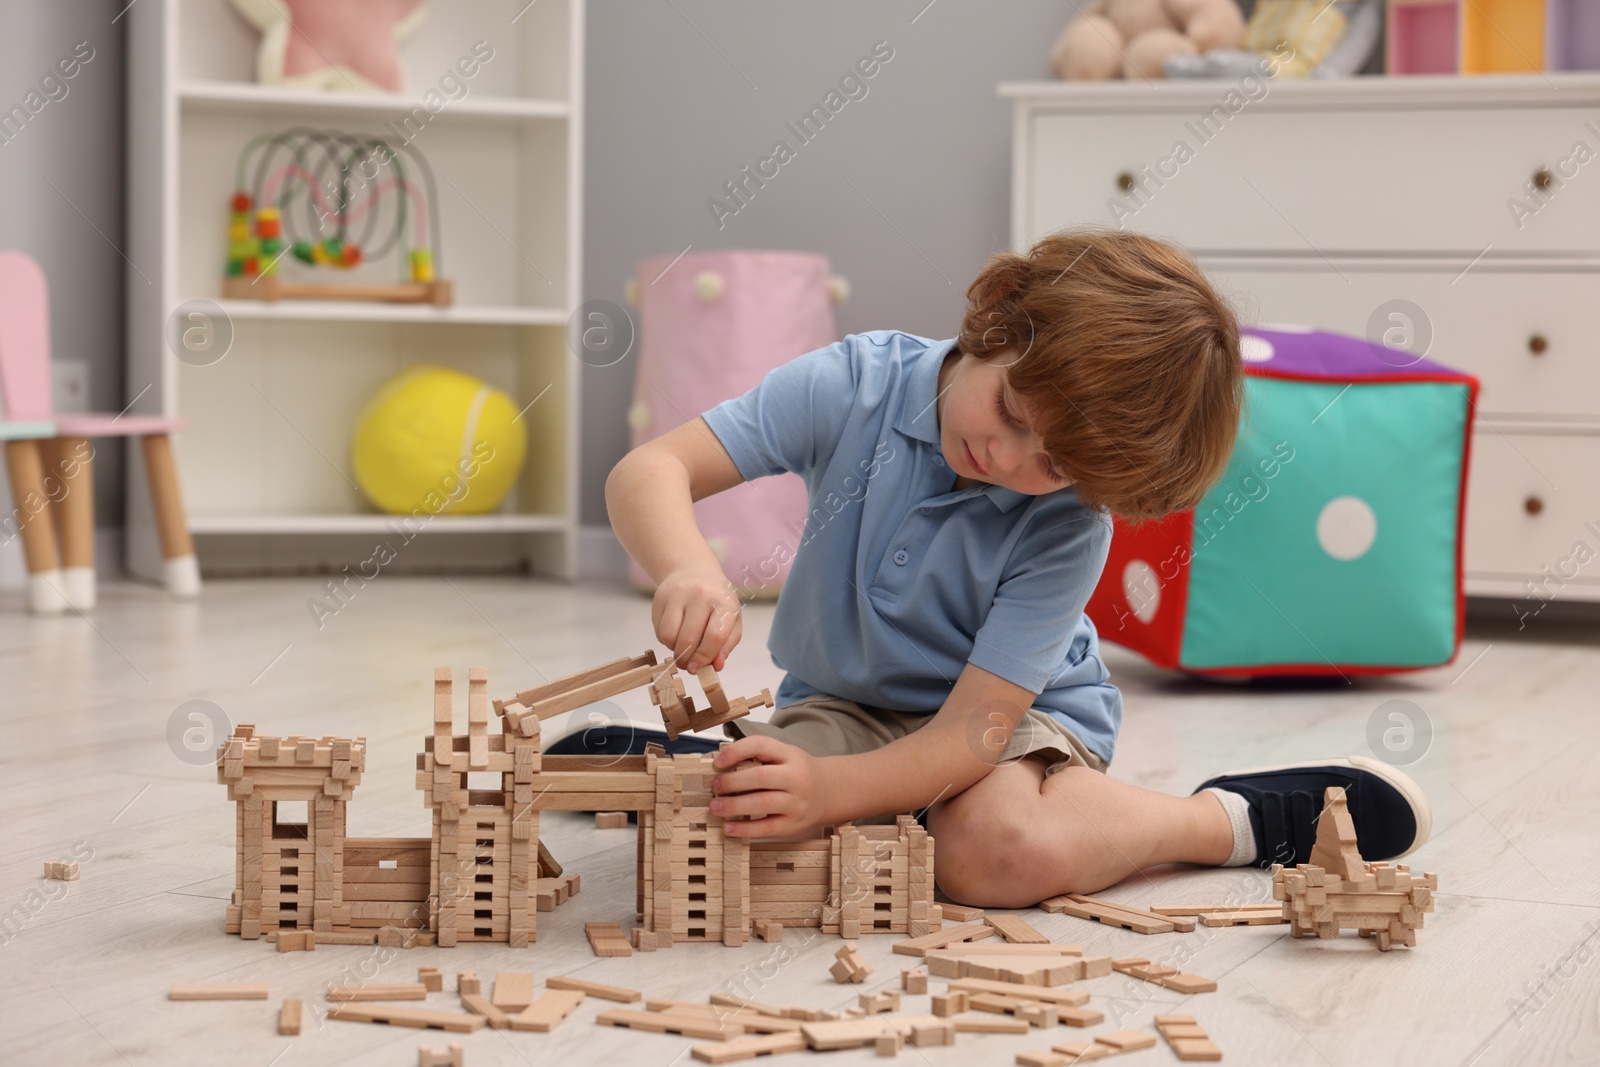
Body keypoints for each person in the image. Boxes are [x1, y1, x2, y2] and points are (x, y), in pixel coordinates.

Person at [603, 228, 1430, 907]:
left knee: (996, 856)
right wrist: (687, 570)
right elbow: (649, 472)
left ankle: (1225, 818)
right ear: (998, 319)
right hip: (846, 702)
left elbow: (974, 732)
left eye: (1057, 465)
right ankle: (743, 765)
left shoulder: (1070, 525)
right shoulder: (855, 383)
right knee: (729, 860)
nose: (1008, 459)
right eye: (1009, 411)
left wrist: (827, 790)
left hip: (1008, 723)